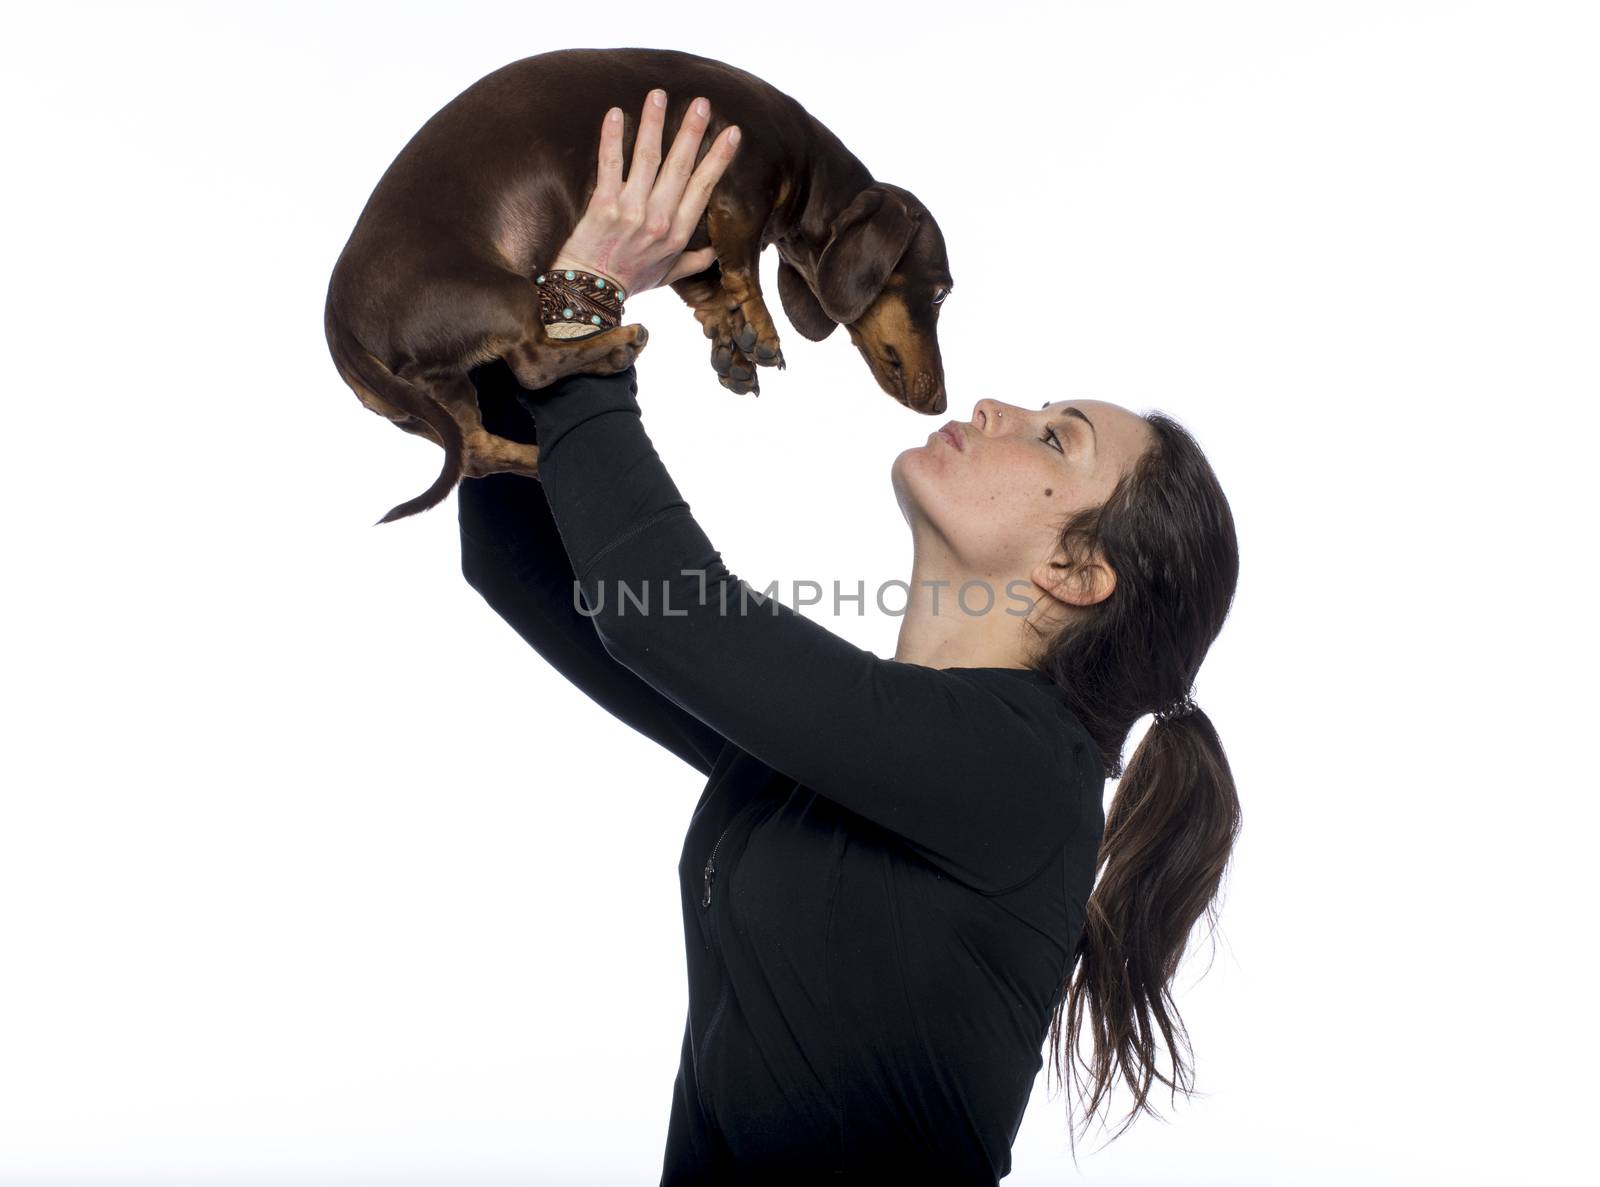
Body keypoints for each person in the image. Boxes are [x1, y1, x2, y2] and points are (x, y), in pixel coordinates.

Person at [457, 89, 1241, 1186]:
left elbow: (659, 600)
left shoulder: (1022, 771)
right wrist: (515, 312)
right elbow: (529, 569)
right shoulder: (855, 756)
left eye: (1055, 434)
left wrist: (586, 306)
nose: (1003, 405)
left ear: (1077, 569)